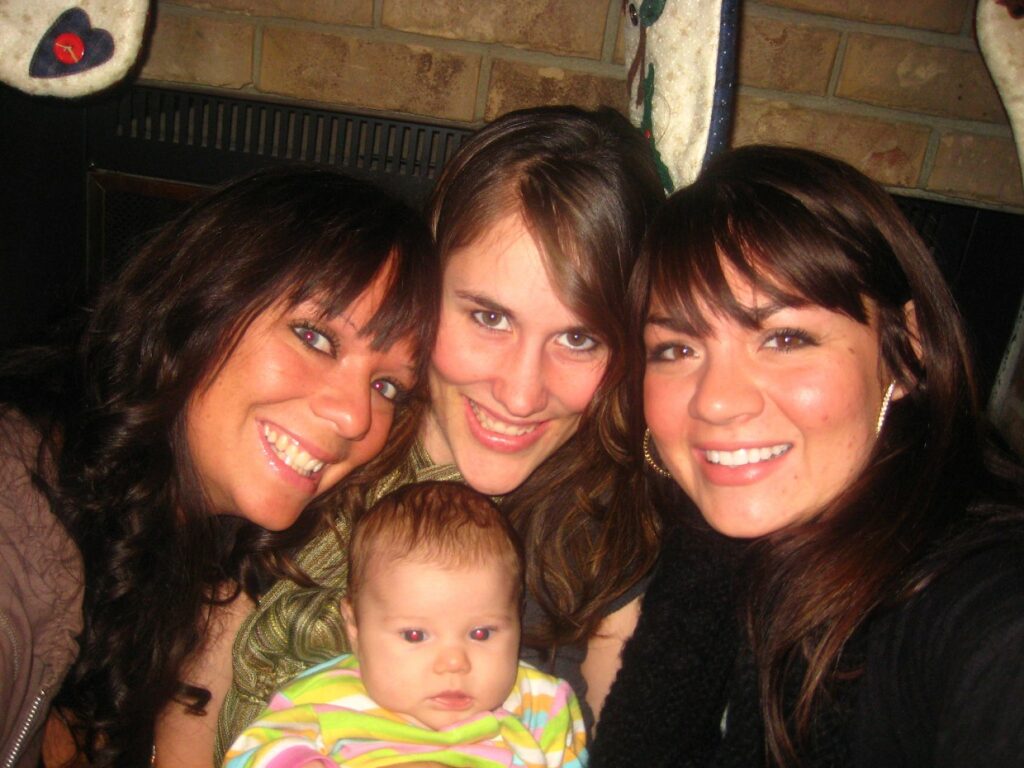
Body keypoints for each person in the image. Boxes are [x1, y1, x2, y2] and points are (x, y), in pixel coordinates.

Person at [217, 105, 666, 759]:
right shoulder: (324, 435)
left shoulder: (611, 535)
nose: (520, 393)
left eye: (578, 338)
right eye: (489, 317)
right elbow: (198, 654)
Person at [589, 145, 1024, 767]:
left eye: (785, 338)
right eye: (677, 349)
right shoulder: (710, 545)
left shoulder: (967, 589)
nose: (716, 401)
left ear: (907, 351)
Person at [0, 166, 439, 768]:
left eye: (386, 386)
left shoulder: (194, 546)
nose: (354, 417)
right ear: (201, 299)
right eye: (315, 337)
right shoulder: (18, 517)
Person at [224, 481, 587, 768]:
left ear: (517, 619)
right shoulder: (318, 699)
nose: (453, 662)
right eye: (415, 635)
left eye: (481, 633)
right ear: (355, 626)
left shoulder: (541, 706)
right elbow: (251, 755)